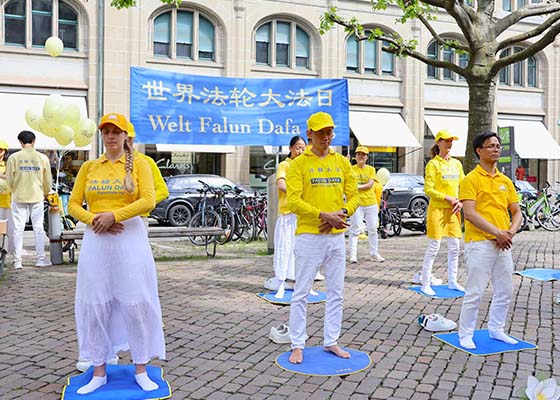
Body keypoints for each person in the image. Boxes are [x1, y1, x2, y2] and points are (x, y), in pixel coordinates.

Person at [69, 113, 165, 394]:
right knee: (95, 304)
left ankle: (141, 367)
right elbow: (74, 204)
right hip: (96, 240)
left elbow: (148, 199)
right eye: (106, 131)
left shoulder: (140, 165)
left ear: (126, 136)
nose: (111, 136)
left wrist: (114, 215)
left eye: (116, 131)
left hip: (129, 239)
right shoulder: (89, 167)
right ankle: (98, 370)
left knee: (135, 304)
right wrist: (94, 219)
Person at [286, 111, 359, 364]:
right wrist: (323, 215)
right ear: (309, 134)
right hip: (309, 235)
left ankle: (331, 341)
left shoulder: (341, 162)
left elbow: (355, 194)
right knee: (302, 292)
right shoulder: (298, 164)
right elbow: (294, 201)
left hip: (337, 235)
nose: (326, 137)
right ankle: (297, 344)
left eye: (329, 132)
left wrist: (343, 213)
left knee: (336, 291)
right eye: (320, 133)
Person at [457, 131, 522, 349]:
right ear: (479, 150)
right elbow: (470, 214)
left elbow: (516, 211)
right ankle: (465, 334)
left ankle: (497, 329)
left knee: (505, 290)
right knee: (475, 291)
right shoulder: (470, 179)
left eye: (498, 146)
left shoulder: (505, 181)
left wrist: (510, 232)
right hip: (480, 243)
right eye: (491, 146)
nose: (496, 149)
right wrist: (497, 233)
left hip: (504, 243)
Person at [415, 130, 465, 296]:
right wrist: (447, 198)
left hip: (453, 211)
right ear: (438, 143)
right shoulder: (433, 165)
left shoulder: (457, 164)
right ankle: (425, 283)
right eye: (446, 141)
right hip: (437, 209)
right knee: (434, 247)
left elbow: (464, 185)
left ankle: (452, 281)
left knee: (455, 247)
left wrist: (460, 201)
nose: (449, 144)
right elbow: (428, 189)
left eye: (451, 141)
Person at [265, 135, 307, 299]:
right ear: (290, 148)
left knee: (301, 250)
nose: (300, 150)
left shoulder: (305, 165)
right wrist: (297, 191)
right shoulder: (284, 165)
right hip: (288, 213)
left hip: (302, 213)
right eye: (298, 147)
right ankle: (280, 282)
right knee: (285, 248)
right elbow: (281, 184)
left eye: (303, 147)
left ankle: (300, 282)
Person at [6, 131, 52, 269]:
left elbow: (9, 180)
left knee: (18, 229)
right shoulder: (42, 158)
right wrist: (45, 192)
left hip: (19, 195)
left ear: (20, 142)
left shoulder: (13, 158)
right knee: (38, 229)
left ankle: (17, 261)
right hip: (37, 196)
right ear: (34, 141)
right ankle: (40, 259)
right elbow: (47, 180)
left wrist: (15, 188)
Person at [127, 121, 169, 230]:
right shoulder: (109, 162)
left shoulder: (146, 161)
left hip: (138, 219)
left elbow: (163, 191)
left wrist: (141, 205)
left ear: (131, 139)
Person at [348, 146, 384, 264]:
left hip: (370, 203)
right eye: (358, 154)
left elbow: (369, 185)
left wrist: (356, 187)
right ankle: (353, 255)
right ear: (355, 156)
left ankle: (374, 253)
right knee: (355, 229)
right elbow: (348, 183)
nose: (360, 156)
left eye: (363, 154)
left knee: (373, 229)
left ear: (367, 157)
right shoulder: (351, 169)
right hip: (356, 203)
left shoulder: (371, 169)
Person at [0, 139, 14, 255]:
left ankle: (11, 251)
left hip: (7, 201)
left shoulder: (9, 164)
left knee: (10, 229)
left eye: (0, 150)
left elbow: (12, 178)